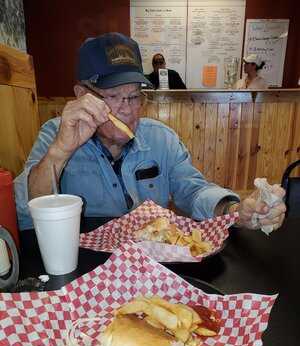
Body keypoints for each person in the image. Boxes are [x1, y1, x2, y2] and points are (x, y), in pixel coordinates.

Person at [14, 32, 285, 232]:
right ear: (82, 95)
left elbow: (192, 191)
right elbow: (25, 212)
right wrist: (61, 151)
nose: (128, 109)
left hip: (151, 266)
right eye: (113, 96)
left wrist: (235, 211)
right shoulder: (55, 135)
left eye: (134, 96)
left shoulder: (160, 138)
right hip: (83, 266)